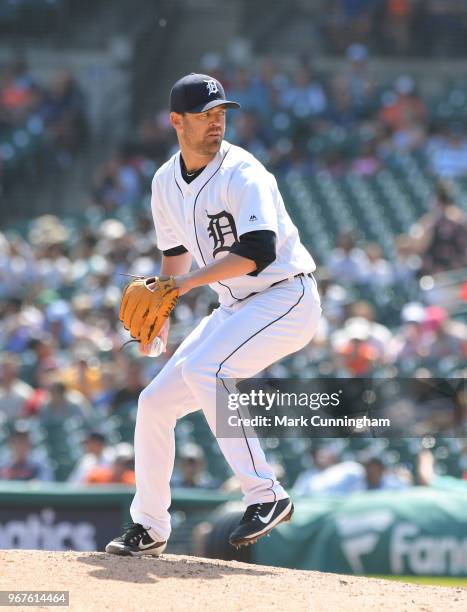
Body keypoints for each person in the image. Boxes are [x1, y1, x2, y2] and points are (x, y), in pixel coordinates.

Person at [105, 73, 322, 556]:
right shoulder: (165, 180)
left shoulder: (244, 173)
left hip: (284, 296)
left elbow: (257, 251)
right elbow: (175, 255)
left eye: (221, 113)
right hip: (235, 306)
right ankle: (150, 526)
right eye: (206, 115)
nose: (216, 123)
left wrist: (180, 286)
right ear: (176, 121)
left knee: (208, 368)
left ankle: (265, 493)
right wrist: (162, 310)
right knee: (154, 403)